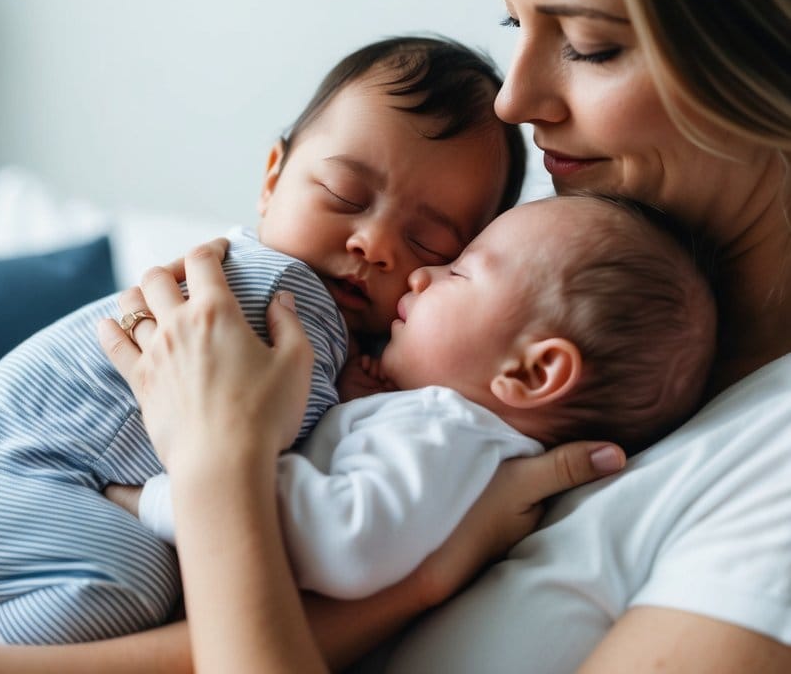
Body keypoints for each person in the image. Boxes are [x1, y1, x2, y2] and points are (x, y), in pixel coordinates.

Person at [0, 0, 791, 670]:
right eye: (512, 19)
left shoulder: (756, 453)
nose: (512, 100)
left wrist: (213, 467)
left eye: (587, 44)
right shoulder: (567, 313)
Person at [0, 35, 523, 645]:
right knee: (141, 585)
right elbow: (266, 480)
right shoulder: (287, 294)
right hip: (10, 483)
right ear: (272, 178)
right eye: (344, 196)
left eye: (429, 243)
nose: (376, 243)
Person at [125, 194, 714, 602]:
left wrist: (146, 498)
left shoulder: (444, 430)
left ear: (533, 371)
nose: (420, 275)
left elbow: (343, 541)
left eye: (459, 273)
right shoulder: (450, 435)